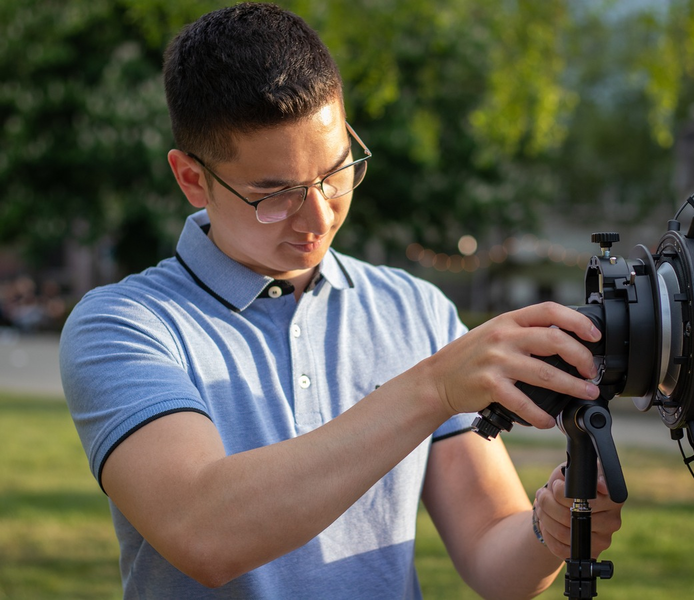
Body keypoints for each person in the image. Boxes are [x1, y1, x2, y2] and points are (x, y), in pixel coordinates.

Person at [59, 3, 623, 598]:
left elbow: (492, 555)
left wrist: (549, 530)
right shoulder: (123, 325)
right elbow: (204, 532)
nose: (319, 214)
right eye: (275, 194)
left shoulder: (414, 309)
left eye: (334, 172)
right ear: (192, 179)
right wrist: (431, 388)